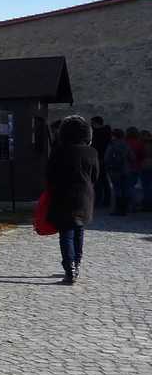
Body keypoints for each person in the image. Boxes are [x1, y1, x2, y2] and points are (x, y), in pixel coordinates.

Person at [45, 116, 100, 284]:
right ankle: (76, 264)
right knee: (79, 231)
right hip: (84, 196)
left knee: (66, 234)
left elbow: (50, 175)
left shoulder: (59, 151)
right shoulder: (92, 152)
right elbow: (96, 176)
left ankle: (70, 269)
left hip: (63, 196)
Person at [103, 129, 133, 215]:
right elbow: (132, 157)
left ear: (114, 135)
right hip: (126, 170)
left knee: (117, 189)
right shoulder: (126, 144)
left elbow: (106, 158)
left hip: (114, 170)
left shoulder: (112, 144)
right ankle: (124, 209)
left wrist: (108, 166)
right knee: (125, 189)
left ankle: (117, 209)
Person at [90, 116, 112, 208]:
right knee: (103, 180)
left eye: (92, 123)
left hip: (99, 158)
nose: (91, 125)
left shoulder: (98, 133)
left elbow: (96, 146)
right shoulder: (106, 132)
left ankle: (98, 201)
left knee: (98, 181)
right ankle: (105, 200)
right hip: (102, 158)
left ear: (96, 123)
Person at [125, 127, 145, 210]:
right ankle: (135, 203)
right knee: (133, 186)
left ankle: (131, 203)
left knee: (128, 186)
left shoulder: (125, 142)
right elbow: (142, 155)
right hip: (137, 166)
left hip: (127, 166)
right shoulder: (139, 143)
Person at [141, 130, 152, 212]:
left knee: (146, 187)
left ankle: (147, 204)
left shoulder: (144, 144)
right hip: (146, 166)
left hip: (146, 166)